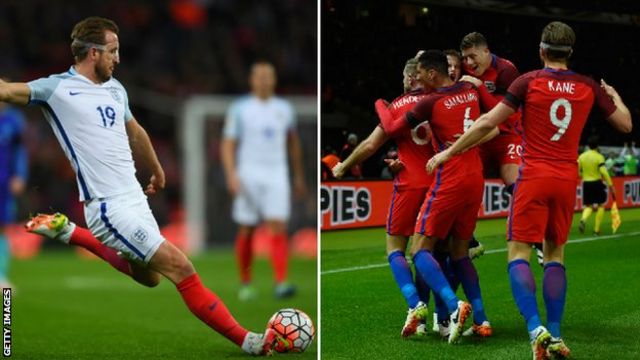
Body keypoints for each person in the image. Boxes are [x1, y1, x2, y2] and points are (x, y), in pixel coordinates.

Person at [3, 17, 280, 355]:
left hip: (134, 198)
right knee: (181, 267)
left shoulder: (116, 89)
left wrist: (157, 168)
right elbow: (7, 90)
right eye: (113, 51)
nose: (118, 58)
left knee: (150, 278)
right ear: (93, 53)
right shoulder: (56, 88)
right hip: (107, 207)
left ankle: (68, 232)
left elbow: (135, 131)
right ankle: (249, 341)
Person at [427, 21, 632, 359]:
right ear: (571, 52)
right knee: (554, 256)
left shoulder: (527, 82)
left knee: (519, 253)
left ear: (541, 50)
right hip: (567, 180)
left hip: (533, 175)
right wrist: (615, 96)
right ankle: (555, 333)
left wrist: (449, 151)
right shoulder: (587, 86)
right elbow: (625, 124)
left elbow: (486, 122)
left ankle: (536, 329)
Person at [377, 50, 499, 344]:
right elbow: (494, 127)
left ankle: (452, 307)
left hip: (450, 180)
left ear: (432, 74)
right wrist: (465, 141)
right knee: (458, 253)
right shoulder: (470, 91)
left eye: (419, 73)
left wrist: (380, 104)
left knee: (420, 251)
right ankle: (481, 319)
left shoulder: (431, 102)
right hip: (476, 178)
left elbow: (392, 127)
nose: (416, 78)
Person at [333, 57, 435, 337]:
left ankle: (415, 306)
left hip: (408, 185)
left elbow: (370, 144)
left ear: (411, 77)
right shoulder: (439, 101)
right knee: (426, 250)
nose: (402, 81)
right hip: (438, 183)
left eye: (404, 76)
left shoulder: (398, 107)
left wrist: (343, 165)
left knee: (394, 248)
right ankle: (434, 315)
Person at [221, 60, 306, 301]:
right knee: (247, 227)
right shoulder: (240, 108)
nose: (264, 81)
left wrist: (298, 176)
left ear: (274, 80)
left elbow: (293, 142)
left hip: (277, 173)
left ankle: (281, 282)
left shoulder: (284, 108)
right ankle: (246, 282)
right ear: (252, 80)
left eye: (268, 76)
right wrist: (231, 174)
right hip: (248, 173)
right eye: (259, 76)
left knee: (278, 224)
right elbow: (228, 143)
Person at [460, 32, 522, 191]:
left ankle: (520, 215)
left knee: (515, 185)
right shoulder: (465, 69)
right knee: (465, 184)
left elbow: (500, 113)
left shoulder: (506, 70)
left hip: (508, 134)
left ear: (486, 51)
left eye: (473, 56)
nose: (469, 62)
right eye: (465, 58)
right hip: (482, 135)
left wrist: (479, 86)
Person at [0, 99, 28, 289]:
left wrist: (20, 174)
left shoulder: (14, 120)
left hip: (4, 181)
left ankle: (1, 276)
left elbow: (20, 150)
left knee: (2, 227)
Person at [578, 137, 616, 235]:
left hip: (586, 183)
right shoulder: (599, 157)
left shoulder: (581, 156)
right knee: (601, 205)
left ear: (588, 145)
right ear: (597, 146)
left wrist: (584, 176)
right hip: (596, 182)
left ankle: (583, 219)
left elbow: (578, 171)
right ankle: (596, 229)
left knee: (589, 206)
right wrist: (611, 185)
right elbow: (604, 172)